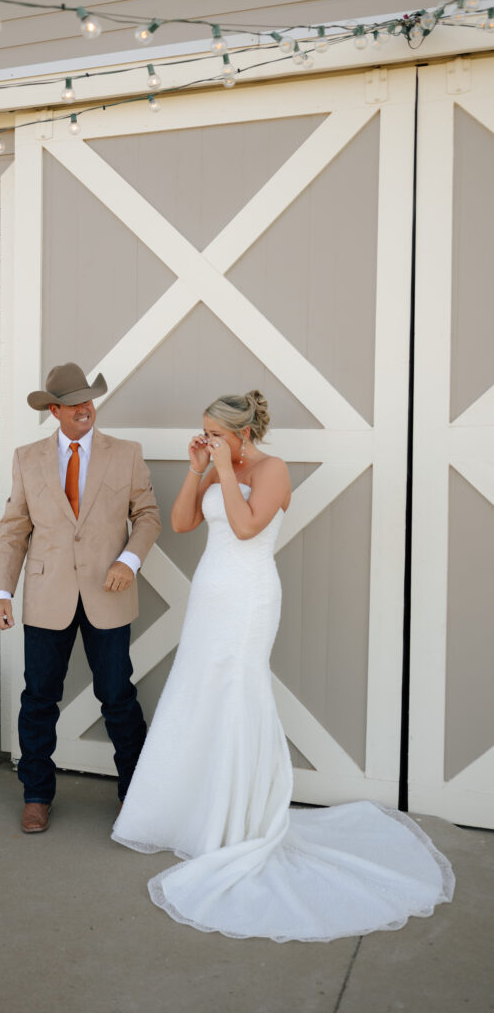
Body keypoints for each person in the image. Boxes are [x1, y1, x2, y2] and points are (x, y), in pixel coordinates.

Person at [112, 390, 454, 942]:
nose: (208, 440)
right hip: (210, 595)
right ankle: (189, 814)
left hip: (248, 598)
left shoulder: (273, 469)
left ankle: (239, 819)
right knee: (197, 691)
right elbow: (180, 523)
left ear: (242, 433)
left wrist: (224, 469)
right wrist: (198, 470)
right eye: (205, 433)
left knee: (237, 693)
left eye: (216, 434)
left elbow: (247, 528)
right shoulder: (217, 463)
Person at [0, 363, 161, 834]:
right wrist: (2, 590)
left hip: (109, 595)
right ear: (54, 410)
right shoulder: (27, 458)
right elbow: (14, 531)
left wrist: (127, 562)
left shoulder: (126, 454)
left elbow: (147, 516)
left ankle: (137, 792)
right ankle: (36, 795)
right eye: (74, 402)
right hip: (47, 596)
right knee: (39, 699)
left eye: (90, 399)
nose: (85, 408)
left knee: (117, 697)